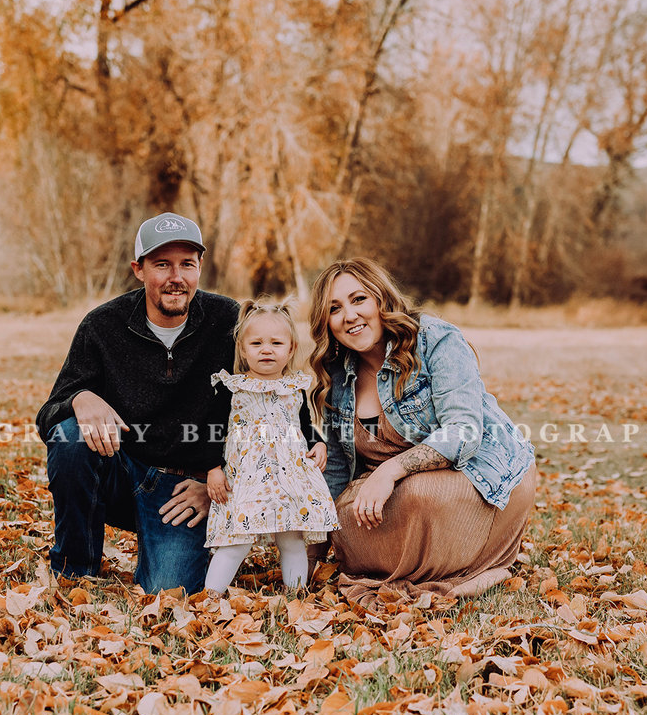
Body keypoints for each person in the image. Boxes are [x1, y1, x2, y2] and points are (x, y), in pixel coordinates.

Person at [307, 258, 537, 604]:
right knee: (346, 514)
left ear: (381, 298)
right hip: (405, 490)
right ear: (327, 322)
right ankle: (450, 567)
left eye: (358, 300)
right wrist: (315, 550)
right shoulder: (337, 373)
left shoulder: (433, 339)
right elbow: (337, 468)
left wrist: (389, 471)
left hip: (480, 475)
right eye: (334, 309)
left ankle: (473, 562)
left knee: (416, 497)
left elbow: (464, 431)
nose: (349, 316)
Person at [35, 213, 239, 594]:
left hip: (186, 490)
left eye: (186, 264)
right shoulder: (102, 326)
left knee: (168, 590)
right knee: (69, 436)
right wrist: (80, 398)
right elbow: (48, 415)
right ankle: (74, 572)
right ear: (139, 270)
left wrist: (220, 488)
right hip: (123, 475)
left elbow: (268, 413)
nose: (176, 276)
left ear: (199, 268)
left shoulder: (230, 321)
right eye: (162, 264)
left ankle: (189, 547)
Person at [203, 300, 337, 595]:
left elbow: (303, 426)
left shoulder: (293, 388)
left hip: (288, 478)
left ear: (290, 350)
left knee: (291, 538)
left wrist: (318, 443)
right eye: (257, 343)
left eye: (276, 343)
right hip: (245, 478)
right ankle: (211, 596)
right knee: (236, 539)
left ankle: (296, 593)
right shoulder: (232, 388)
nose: (267, 349)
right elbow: (211, 432)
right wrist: (213, 469)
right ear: (243, 349)